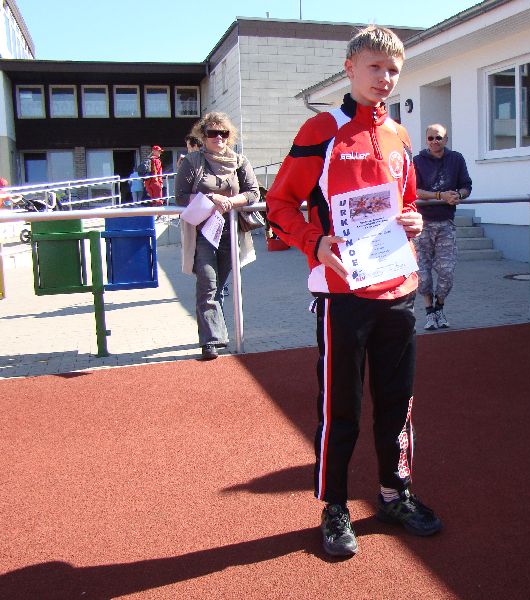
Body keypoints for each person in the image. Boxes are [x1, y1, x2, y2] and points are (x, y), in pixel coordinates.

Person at [266, 25, 442, 557]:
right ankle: (335, 505)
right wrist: (313, 242)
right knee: (340, 407)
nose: (384, 78)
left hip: (398, 289)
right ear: (350, 68)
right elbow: (278, 205)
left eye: (393, 70)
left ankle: (394, 493)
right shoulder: (321, 129)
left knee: (397, 403)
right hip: (341, 295)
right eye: (374, 67)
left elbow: (405, 203)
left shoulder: (401, 136)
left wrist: (413, 222)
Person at [174, 112, 259, 360]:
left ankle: (217, 333)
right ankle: (211, 341)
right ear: (203, 135)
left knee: (219, 286)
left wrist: (231, 201)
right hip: (202, 232)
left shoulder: (239, 161)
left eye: (223, 133)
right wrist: (211, 198)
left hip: (230, 231)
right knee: (207, 284)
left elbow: (253, 193)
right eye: (212, 133)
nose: (218, 137)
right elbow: (180, 196)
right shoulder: (192, 161)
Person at [413, 123, 472, 330]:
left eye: (438, 138)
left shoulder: (456, 159)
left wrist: (458, 195)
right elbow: (415, 190)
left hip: (446, 223)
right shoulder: (418, 161)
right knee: (423, 275)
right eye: (430, 138)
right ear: (426, 140)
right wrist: (440, 195)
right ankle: (429, 312)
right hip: (423, 224)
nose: (434, 142)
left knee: (446, 272)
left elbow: (466, 186)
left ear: (446, 139)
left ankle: (439, 307)